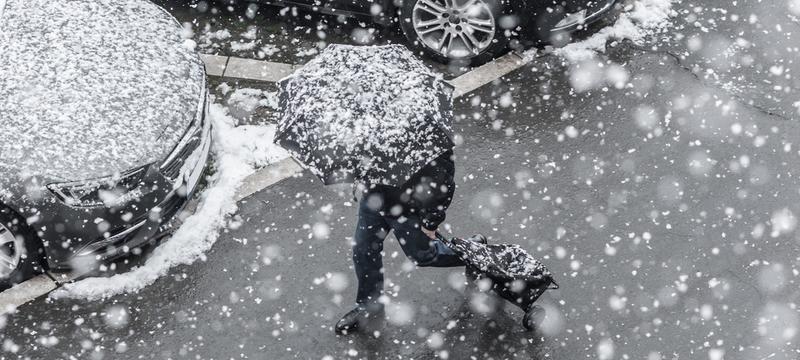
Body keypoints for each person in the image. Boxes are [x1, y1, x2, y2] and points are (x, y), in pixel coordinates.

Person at [335, 149, 486, 334]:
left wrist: (431, 220)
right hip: (373, 199)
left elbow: (443, 176)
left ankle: (474, 252)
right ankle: (369, 306)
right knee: (363, 250)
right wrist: (358, 173)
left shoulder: (421, 128)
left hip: (407, 206)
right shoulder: (364, 123)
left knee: (423, 256)